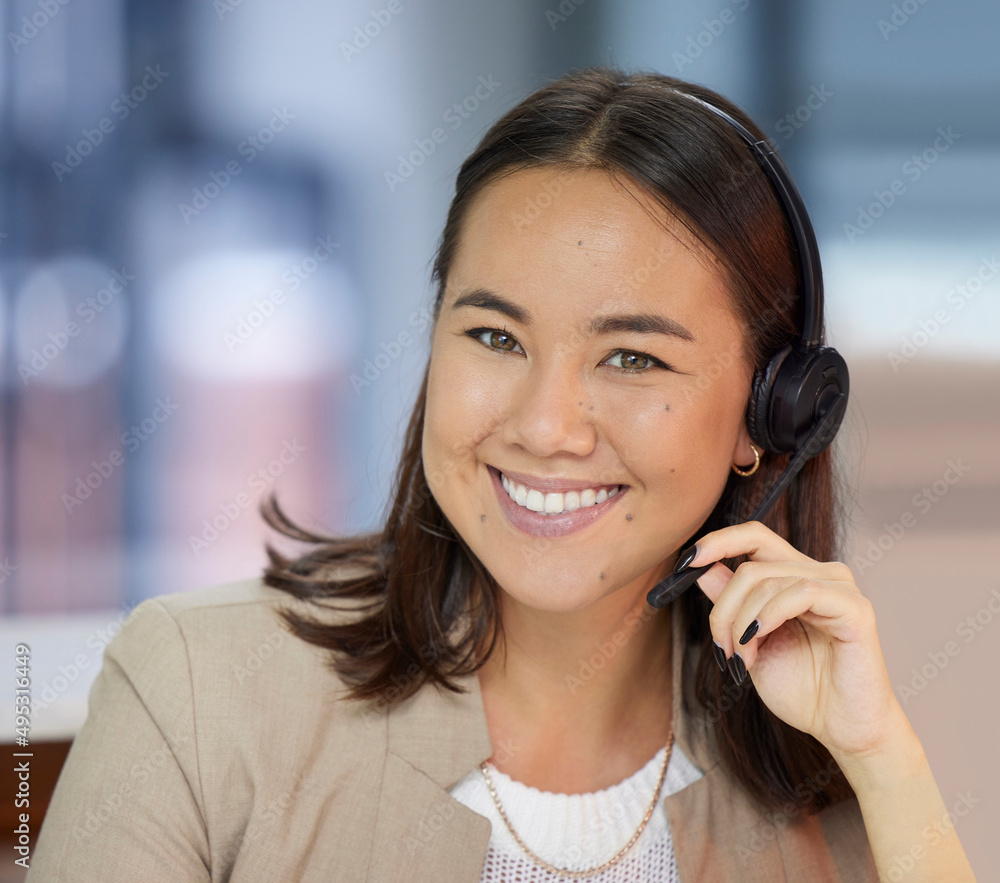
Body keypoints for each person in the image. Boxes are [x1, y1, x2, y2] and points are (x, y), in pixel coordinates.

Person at [28, 67, 976, 882]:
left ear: (770, 413)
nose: (544, 426)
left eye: (633, 358)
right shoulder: (196, 690)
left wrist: (884, 759)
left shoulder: (816, 764)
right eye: (494, 336)